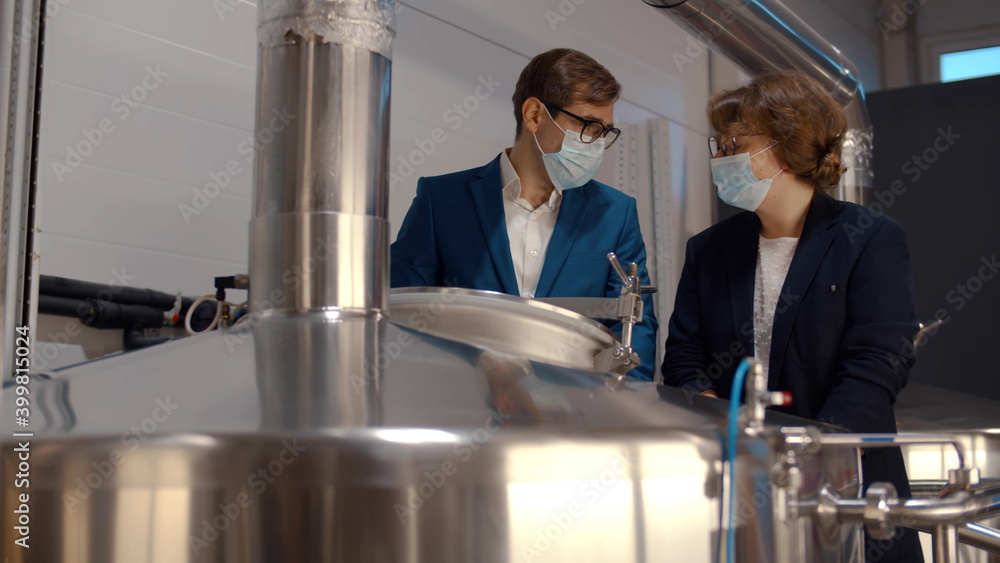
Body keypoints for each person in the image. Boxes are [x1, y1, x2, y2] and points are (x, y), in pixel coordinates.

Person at [661, 71, 923, 561]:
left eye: (733, 143)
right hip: (738, 491)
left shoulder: (867, 237)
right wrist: (724, 424)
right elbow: (683, 359)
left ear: (784, 148)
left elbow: (877, 363)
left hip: (847, 492)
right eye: (718, 144)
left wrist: (811, 456)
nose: (719, 157)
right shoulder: (710, 249)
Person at [391, 48, 658, 381]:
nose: (597, 144)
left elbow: (637, 330)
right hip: (461, 407)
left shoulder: (615, 214)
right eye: (589, 126)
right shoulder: (442, 201)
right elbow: (403, 314)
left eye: (605, 132)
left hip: (577, 417)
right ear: (534, 114)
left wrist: (619, 412)